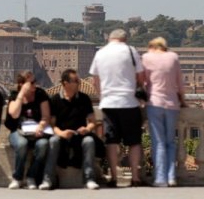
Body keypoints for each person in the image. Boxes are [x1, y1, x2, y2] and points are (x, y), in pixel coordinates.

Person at [89, 28, 145, 187]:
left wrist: (102, 97)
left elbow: (95, 80)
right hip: (129, 101)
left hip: (108, 103)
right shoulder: (130, 50)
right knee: (134, 142)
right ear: (124, 39)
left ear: (110, 39)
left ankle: (114, 177)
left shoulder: (100, 53)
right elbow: (140, 76)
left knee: (111, 141)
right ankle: (135, 177)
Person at [40, 69, 101, 190]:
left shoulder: (84, 99)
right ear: (65, 83)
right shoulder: (55, 100)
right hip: (61, 134)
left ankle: (89, 178)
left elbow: (92, 121)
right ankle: (48, 179)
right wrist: (61, 133)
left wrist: (87, 129)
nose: (78, 83)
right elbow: (52, 125)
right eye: (75, 81)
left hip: (80, 134)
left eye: (78, 81)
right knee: (53, 141)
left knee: (89, 141)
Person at [142, 37, 186, 187]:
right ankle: (171, 176)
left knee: (158, 142)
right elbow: (180, 83)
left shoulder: (147, 57)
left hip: (154, 103)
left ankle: (160, 178)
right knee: (171, 142)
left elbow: (143, 82)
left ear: (152, 46)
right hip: (172, 103)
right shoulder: (173, 57)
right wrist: (183, 101)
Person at [5, 71, 51, 189]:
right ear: (21, 84)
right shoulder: (14, 95)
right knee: (22, 144)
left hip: (37, 132)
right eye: (31, 83)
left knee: (44, 144)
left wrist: (41, 126)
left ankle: (31, 176)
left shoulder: (40, 94)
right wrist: (21, 95)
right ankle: (17, 177)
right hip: (18, 131)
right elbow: (14, 114)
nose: (35, 85)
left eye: (35, 82)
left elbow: (46, 116)